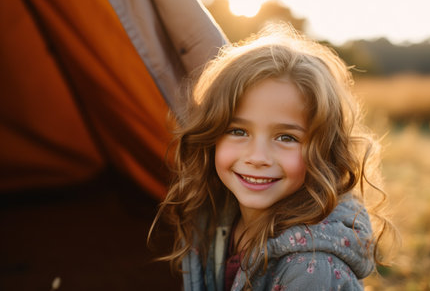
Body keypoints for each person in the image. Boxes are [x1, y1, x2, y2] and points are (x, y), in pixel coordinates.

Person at [149, 24, 397, 290]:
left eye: (286, 137)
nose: (257, 157)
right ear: (211, 135)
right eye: (238, 131)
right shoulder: (217, 214)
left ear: (324, 151)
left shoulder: (311, 271)